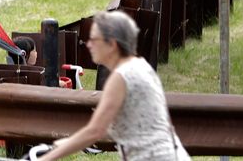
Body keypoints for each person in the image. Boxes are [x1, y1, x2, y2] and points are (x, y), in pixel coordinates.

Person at [39, 11, 190, 161]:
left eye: (94, 39)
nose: (88, 44)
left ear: (112, 44)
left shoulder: (121, 77)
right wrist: (70, 142)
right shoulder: (140, 66)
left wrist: (46, 158)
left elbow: (95, 131)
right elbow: (123, 125)